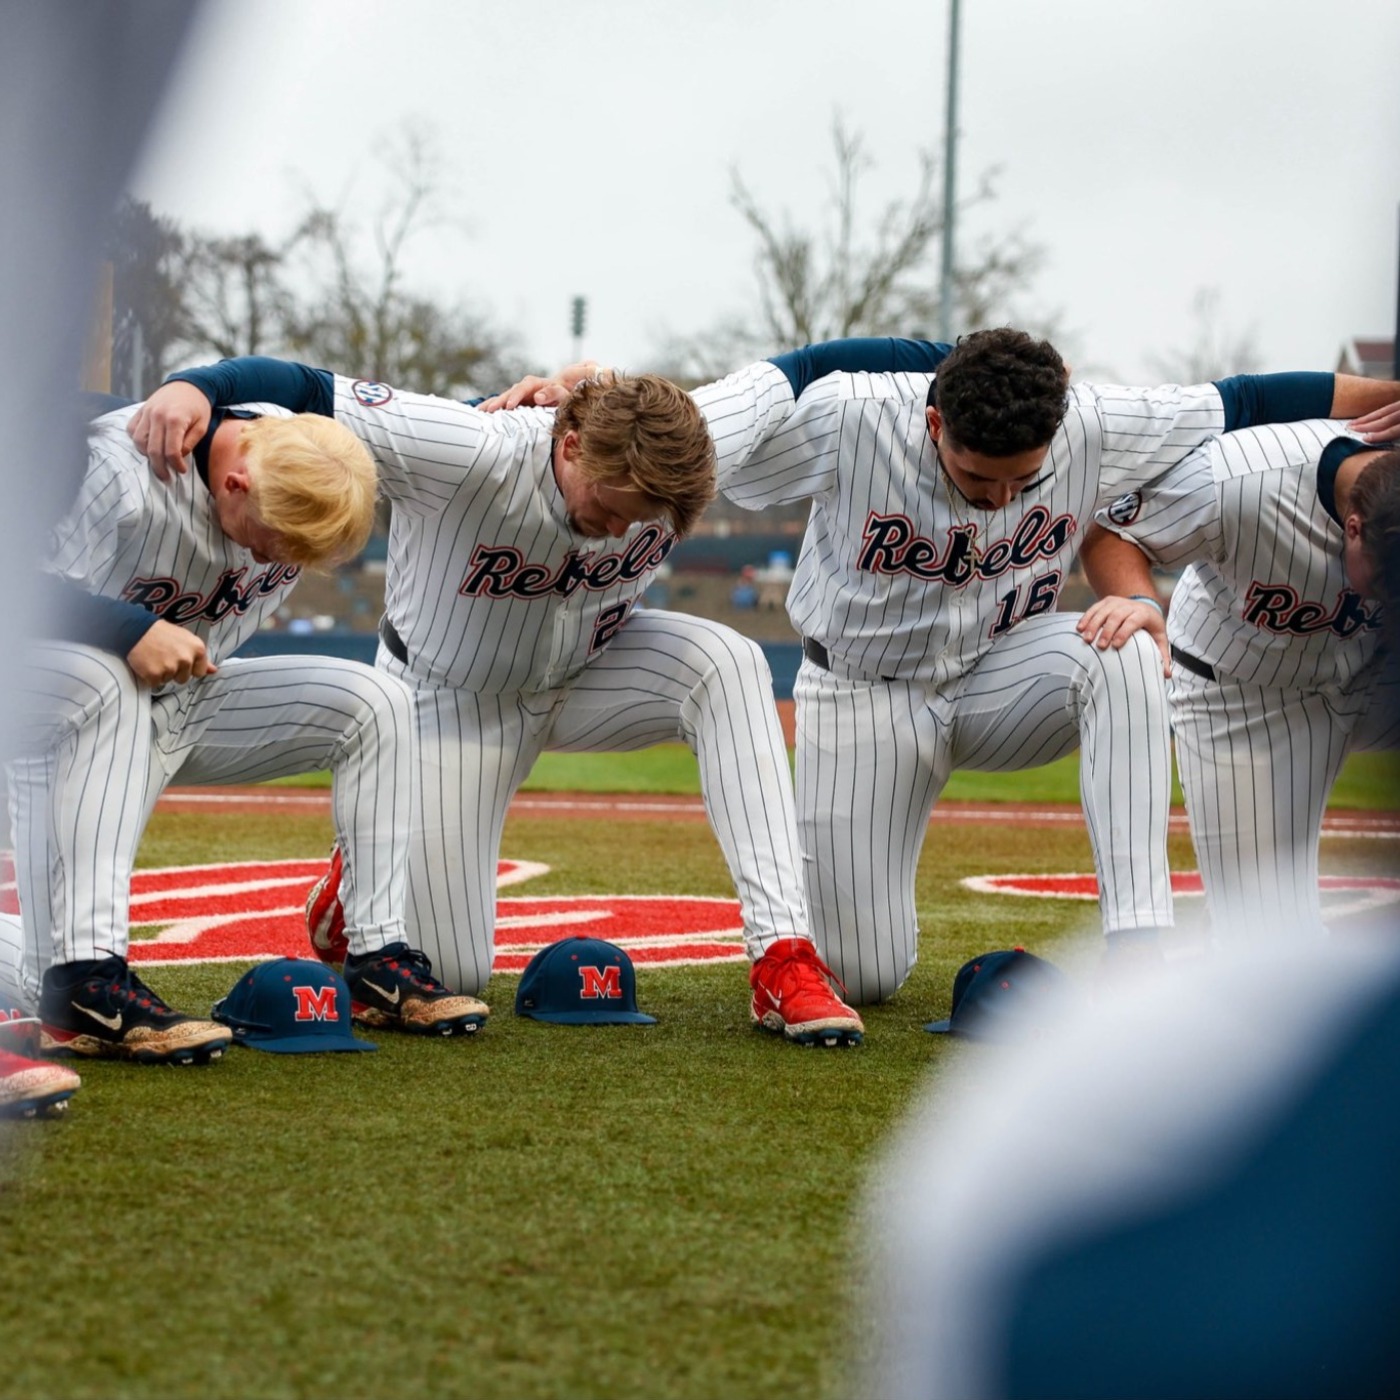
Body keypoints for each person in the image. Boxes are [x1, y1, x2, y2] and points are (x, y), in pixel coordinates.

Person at [493, 330, 1400, 1004]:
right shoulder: (852, 419)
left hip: (1003, 672)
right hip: (862, 692)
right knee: (870, 972)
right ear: (934, 422)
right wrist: (588, 394)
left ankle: (1141, 947)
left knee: (1123, 652)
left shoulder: (1093, 421)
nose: (1003, 497)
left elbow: (1251, 396)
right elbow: (691, 433)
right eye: (978, 477)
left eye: (1024, 479)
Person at [129, 348, 949, 1046]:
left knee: (726, 659)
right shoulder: (471, 447)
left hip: (597, 669)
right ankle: (356, 884)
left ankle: (782, 958)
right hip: (452, 697)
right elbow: (309, 387)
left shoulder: (690, 440)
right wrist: (198, 387)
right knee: (450, 968)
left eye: (646, 517)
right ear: (569, 441)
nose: (624, 528)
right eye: (611, 506)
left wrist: (970, 359)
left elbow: (811, 365)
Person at [0, 399, 487, 1066]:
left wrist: (498, 409)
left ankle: (378, 956)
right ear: (236, 482)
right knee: (47, 972)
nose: (273, 559)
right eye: (270, 541)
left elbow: (406, 431)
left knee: (374, 698)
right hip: (59, 725)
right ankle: (89, 984)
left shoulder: (296, 452)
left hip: (184, 699)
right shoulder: (120, 469)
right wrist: (126, 629)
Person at [1079, 417, 1400, 943]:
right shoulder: (1245, 479)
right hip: (1242, 697)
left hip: (1370, 673)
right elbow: (1113, 532)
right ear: (1354, 527)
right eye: (1388, 584)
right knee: (1272, 953)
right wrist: (1139, 600)